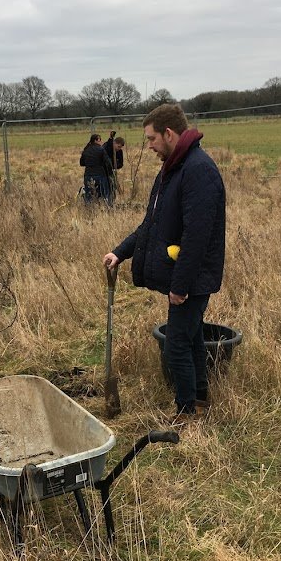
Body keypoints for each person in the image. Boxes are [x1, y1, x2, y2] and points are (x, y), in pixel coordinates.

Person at [103, 104, 226, 422]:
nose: (149, 146)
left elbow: (197, 237)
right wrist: (121, 252)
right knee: (192, 337)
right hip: (187, 277)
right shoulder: (173, 169)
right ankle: (199, 402)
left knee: (176, 346)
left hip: (192, 278)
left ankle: (186, 414)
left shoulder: (198, 170)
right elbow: (152, 225)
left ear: (169, 134)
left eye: (151, 138)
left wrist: (180, 286)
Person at [80, 133, 113, 203]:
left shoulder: (86, 150)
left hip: (88, 175)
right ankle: (106, 210)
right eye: (100, 139)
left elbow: (82, 163)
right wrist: (110, 173)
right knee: (104, 195)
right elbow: (108, 163)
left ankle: (90, 210)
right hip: (100, 175)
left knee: (89, 196)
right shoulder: (101, 149)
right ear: (95, 140)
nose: (101, 141)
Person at [103, 131, 125, 205]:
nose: (119, 148)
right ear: (114, 143)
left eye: (121, 147)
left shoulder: (119, 152)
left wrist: (116, 165)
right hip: (104, 172)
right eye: (118, 146)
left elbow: (121, 164)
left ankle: (111, 203)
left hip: (112, 172)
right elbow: (108, 147)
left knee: (112, 189)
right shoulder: (106, 147)